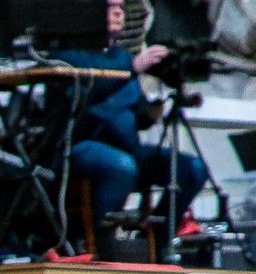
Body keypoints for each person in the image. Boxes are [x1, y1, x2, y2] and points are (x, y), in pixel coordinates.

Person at [60, 0, 207, 226]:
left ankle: (160, 236)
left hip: (129, 150)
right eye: (109, 7)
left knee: (193, 169)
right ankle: (104, 239)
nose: (118, 14)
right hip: (82, 147)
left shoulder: (120, 57)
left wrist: (151, 112)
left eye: (121, 8)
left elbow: (135, 115)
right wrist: (133, 67)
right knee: (122, 166)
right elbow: (88, 90)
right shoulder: (69, 56)